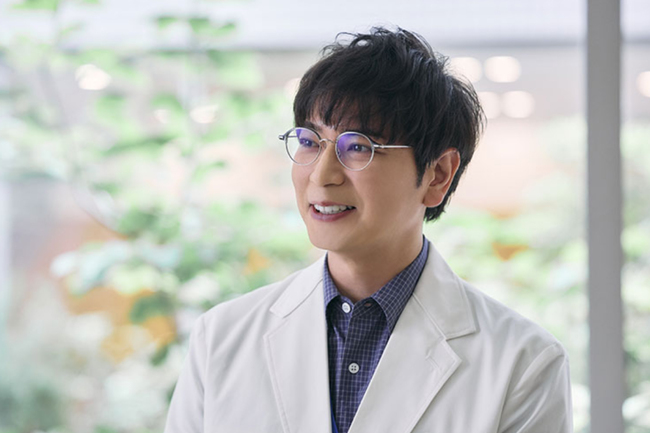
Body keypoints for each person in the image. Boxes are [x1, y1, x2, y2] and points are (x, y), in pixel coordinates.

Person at [164, 27, 573, 433]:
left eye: (358, 146)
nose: (321, 175)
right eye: (310, 141)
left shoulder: (523, 363)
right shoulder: (221, 339)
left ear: (437, 175)